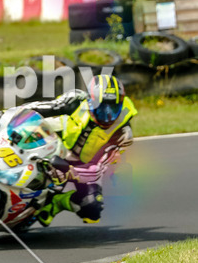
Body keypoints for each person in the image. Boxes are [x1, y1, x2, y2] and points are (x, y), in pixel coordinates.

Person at [26, 74, 137, 225]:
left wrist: (127, 130)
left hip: (83, 165)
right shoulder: (75, 100)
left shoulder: (123, 123)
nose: (108, 115)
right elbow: (41, 107)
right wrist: (6, 114)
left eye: (113, 107)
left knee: (92, 210)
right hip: (55, 148)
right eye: (102, 107)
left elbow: (101, 166)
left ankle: (57, 203)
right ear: (91, 101)